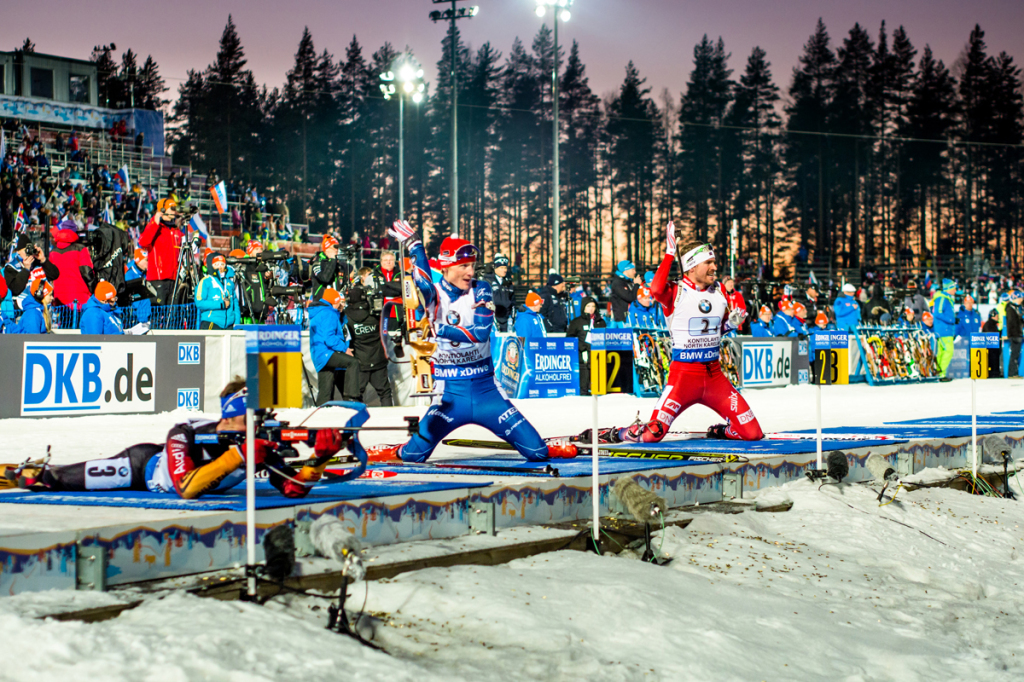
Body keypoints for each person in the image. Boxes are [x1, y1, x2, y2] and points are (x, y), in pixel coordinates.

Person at [369, 220, 574, 462]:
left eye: (472, 265)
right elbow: (422, 284)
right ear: (446, 267)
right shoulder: (434, 293)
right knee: (413, 456)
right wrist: (415, 245)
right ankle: (398, 448)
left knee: (538, 453)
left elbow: (480, 334)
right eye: (464, 266)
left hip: (488, 393)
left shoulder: (482, 288)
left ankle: (542, 442)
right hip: (449, 396)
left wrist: (439, 329)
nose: (470, 272)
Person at [2, 379, 346, 500]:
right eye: (250, 417)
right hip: (140, 469)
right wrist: (239, 456)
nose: (259, 424)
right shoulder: (187, 432)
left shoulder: (256, 441)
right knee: (50, 480)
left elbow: (292, 489)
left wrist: (319, 459)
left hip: (169, 474)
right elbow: (186, 488)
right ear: (230, 415)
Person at [606, 223, 763, 443]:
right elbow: (656, 290)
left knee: (753, 434)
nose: (714, 267)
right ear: (691, 266)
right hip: (684, 379)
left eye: (714, 262)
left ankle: (719, 431)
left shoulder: (718, 291)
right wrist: (670, 252)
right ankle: (620, 433)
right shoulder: (677, 290)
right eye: (708, 262)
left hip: (715, 377)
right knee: (652, 436)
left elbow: (716, 329)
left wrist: (730, 324)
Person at [309, 288, 360, 406]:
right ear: (333, 301)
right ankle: (352, 398)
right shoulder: (329, 313)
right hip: (326, 353)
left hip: (319, 355)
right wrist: (345, 349)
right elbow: (329, 338)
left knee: (325, 394)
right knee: (353, 363)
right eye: (339, 302)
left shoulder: (320, 311)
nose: (341, 304)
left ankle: (320, 414)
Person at [343, 286, 394, 406]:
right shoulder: (375, 312)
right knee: (385, 393)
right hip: (378, 359)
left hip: (359, 362)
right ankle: (390, 421)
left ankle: (357, 422)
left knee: (355, 395)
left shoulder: (346, 316)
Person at [138, 198, 184, 305]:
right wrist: (155, 221)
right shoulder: (155, 227)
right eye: (171, 208)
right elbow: (143, 242)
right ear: (162, 210)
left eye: (175, 208)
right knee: (158, 315)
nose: (174, 211)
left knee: (173, 316)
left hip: (174, 279)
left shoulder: (176, 230)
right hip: (158, 279)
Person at [3, 233, 60, 308]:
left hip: (44, 306)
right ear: (18, 252)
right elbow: (15, 289)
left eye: (30, 250)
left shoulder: (37, 262)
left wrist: (43, 260)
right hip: (23, 309)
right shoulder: (11, 267)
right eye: (26, 250)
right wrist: (26, 269)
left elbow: (55, 275)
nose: (28, 253)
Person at [49, 223, 96, 310]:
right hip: (79, 299)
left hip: (59, 299)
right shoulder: (81, 249)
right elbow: (87, 273)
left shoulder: (52, 252)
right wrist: (93, 291)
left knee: (64, 323)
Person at [566, 297, 606, 395]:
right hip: (582, 357)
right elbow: (570, 339)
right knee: (583, 386)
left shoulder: (601, 322)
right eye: (588, 306)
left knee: (597, 389)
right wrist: (582, 348)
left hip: (597, 356)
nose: (591, 308)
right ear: (583, 307)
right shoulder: (576, 322)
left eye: (593, 306)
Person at [196, 253, 240, 330]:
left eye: (222, 264)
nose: (220, 267)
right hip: (211, 322)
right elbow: (199, 302)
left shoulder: (230, 283)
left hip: (229, 324)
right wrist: (220, 304)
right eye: (216, 264)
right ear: (212, 266)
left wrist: (237, 321)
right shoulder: (205, 281)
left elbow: (235, 303)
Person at [238, 239, 274, 323]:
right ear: (250, 252)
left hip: (261, 312)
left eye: (261, 249)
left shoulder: (263, 266)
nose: (260, 251)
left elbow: (266, 288)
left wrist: (269, 278)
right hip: (249, 314)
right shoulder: (245, 266)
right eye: (257, 249)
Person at [481, 254, 515, 332]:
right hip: (493, 318)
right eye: (501, 268)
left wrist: (512, 317)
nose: (504, 270)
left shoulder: (508, 282)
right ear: (496, 268)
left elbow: (512, 301)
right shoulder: (488, 281)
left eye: (505, 267)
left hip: (506, 319)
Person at [932, 279, 957, 381]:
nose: (955, 290)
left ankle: (939, 373)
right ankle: (940, 372)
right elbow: (937, 313)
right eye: (954, 288)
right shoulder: (942, 298)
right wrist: (951, 319)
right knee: (949, 351)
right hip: (944, 330)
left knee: (942, 352)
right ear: (949, 288)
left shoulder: (945, 298)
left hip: (944, 329)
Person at [310, 234, 344, 301]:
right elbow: (325, 278)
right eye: (334, 247)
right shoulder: (317, 262)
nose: (337, 250)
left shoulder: (336, 263)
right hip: (321, 303)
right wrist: (332, 259)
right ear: (327, 249)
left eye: (337, 247)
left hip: (336, 303)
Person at [125, 248, 152, 324]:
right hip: (138, 316)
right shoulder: (130, 275)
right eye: (146, 260)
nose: (148, 263)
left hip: (146, 313)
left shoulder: (144, 273)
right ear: (138, 261)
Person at [610, 260, 640, 324]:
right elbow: (630, 297)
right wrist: (636, 285)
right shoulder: (618, 283)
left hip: (630, 316)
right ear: (626, 270)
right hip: (622, 320)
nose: (635, 272)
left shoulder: (628, 282)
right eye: (633, 270)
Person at [1006, 290, 1023, 379]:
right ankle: (1012, 373)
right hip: (1015, 335)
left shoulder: (1016, 308)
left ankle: (1014, 373)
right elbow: (1011, 323)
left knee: (1016, 355)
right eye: (1020, 298)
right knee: (1014, 355)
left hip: (1017, 334)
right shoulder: (1011, 309)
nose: (1021, 300)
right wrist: (1014, 334)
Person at [983, 309, 1003, 378]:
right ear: (993, 316)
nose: (998, 317)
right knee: (993, 360)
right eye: (997, 316)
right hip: (991, 348)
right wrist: (1000, 333)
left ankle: (994, 372)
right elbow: (992, 334)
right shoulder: (989, 324)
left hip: (993, 348)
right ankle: (993, 373)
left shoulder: (992, 324)